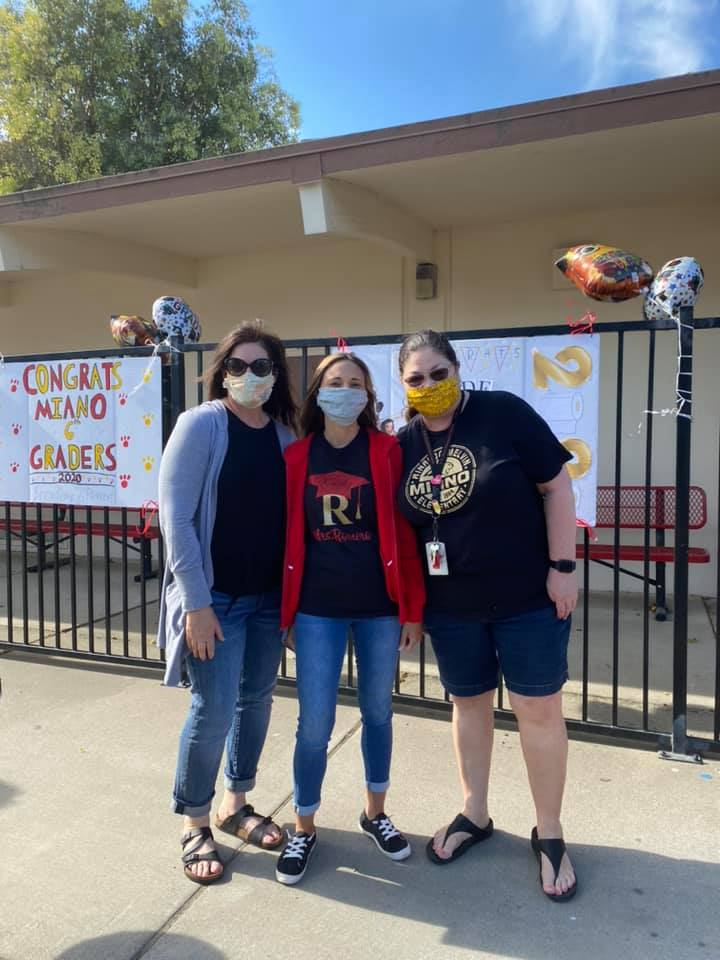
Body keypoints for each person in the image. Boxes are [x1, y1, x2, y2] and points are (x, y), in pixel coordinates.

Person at [396, 329, 579, 902]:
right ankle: (475, 813)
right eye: (416, 379)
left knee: (537, 710)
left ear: (457, 368)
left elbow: (557, 487)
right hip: (452, 608)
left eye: (438, 373)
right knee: (468, 704)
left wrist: (563, 567)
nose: (429, 385)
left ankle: (549, 830)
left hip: (528, 599)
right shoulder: (402, 444)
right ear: (403, 385)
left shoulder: (503, 412)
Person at [276, 352, 425, 885]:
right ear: (318, 393)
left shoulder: (386, 451)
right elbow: (286, 536)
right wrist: (286, 612)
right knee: (314, 724)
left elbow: (405, 533)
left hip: (379, 609)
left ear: (367, 395)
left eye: (354, 382)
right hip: (317, 610)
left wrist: (412, 609)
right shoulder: (297, 456)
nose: (344, 390)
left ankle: (375, 813)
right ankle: (304, 827)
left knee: (378, 713)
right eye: (335, 382)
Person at [157, 321, 297, 885]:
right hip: (214, 600)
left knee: (256, 701)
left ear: (276, 374)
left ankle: (234, 804)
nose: (248, 375)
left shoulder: (284, 434)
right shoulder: (201, 425)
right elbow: (176, 520)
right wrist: (196, 603)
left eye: (261, 366)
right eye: (236, 365)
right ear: (222, 372)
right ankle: (195, 821)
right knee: (212, 709)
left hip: (267, 600)